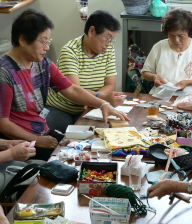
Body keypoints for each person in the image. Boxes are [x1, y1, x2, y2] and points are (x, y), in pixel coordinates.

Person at [0, 10, 129, 160]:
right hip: (22, 145)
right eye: (43, 41)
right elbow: (3, 125)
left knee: (92, 152)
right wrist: (37, 140)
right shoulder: (5, 73)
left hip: (41, 133)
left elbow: (72, 89)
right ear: (23, 40)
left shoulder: (43, 64)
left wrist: (102, 104)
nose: (47, 47)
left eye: (49, 41)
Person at [46, 10, 125, 133]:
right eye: (107, 38)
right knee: (60, 138)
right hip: (63, 109)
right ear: (91, 31)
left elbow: (110, 84)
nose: (108, 45)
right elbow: (74, 91)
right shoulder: (70, 51)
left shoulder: (108, 50)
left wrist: (95, 100)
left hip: (91, 107)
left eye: (111, 40)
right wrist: (102, 99)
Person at [141, 9, 192, 89]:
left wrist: (187, 82)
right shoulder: (159, 47)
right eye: (172, 35)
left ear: (189, 32)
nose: (176, 40)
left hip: (189, 95)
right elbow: (145, 72)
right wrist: (154, 77)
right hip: (161, 93)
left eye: (181, 36)